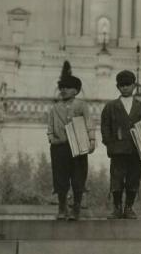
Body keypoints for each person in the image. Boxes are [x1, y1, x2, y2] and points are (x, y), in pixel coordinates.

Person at [101, 70, 141, 219]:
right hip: (118, 150)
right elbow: (105, 126)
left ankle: (129, 207)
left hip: (136, 150)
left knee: (134, 178)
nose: (125, 88)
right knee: (117, 178)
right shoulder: (110, 106)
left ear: (134, 86)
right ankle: (117, 208)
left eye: (128, 85)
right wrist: (109, 143)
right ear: (117, 87)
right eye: (122, 85)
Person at [47, 75, 96, 220]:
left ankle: (76, 207)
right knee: (60, 177)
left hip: (79, 145)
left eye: (67, 87)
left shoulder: (81, 105)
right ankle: (62, 207)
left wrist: (92, 140)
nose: (63, 90)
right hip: (59, 147)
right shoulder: (55, 108)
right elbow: (50, 126)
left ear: (76, 90)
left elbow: (89, 122)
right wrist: (51, 137)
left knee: (78, 177)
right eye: (61, 87)